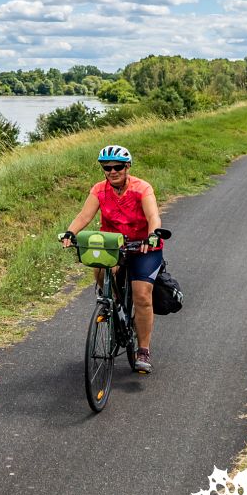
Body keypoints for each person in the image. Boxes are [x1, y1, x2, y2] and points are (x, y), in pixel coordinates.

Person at [60, 145, 164, 373]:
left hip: (143, 246)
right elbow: (84, 215)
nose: (112, 171)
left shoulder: (141, 188)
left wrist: (153, 234)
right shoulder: (99, 190)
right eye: (107, 168)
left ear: (127, 167)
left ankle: (143, 350)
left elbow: (153, 216)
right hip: (113, 245)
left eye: (117, 167)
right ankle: (114, 301)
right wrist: (71, 232)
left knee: (142, 295)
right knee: (98, 270)